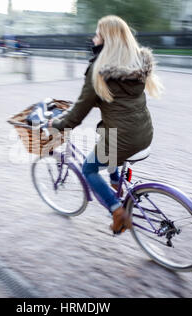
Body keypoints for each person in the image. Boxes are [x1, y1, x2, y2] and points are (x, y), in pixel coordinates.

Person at [49, 15, 163, 234]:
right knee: (107, 137)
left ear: (107, 40)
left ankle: (117, 211)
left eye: (97, 35)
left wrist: (58, 125)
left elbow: (78, 114)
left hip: (123, 138)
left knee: (89, 168)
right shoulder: (137, 61)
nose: (93, 39)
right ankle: (113, 180)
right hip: (144, 132)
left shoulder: (99, 70)